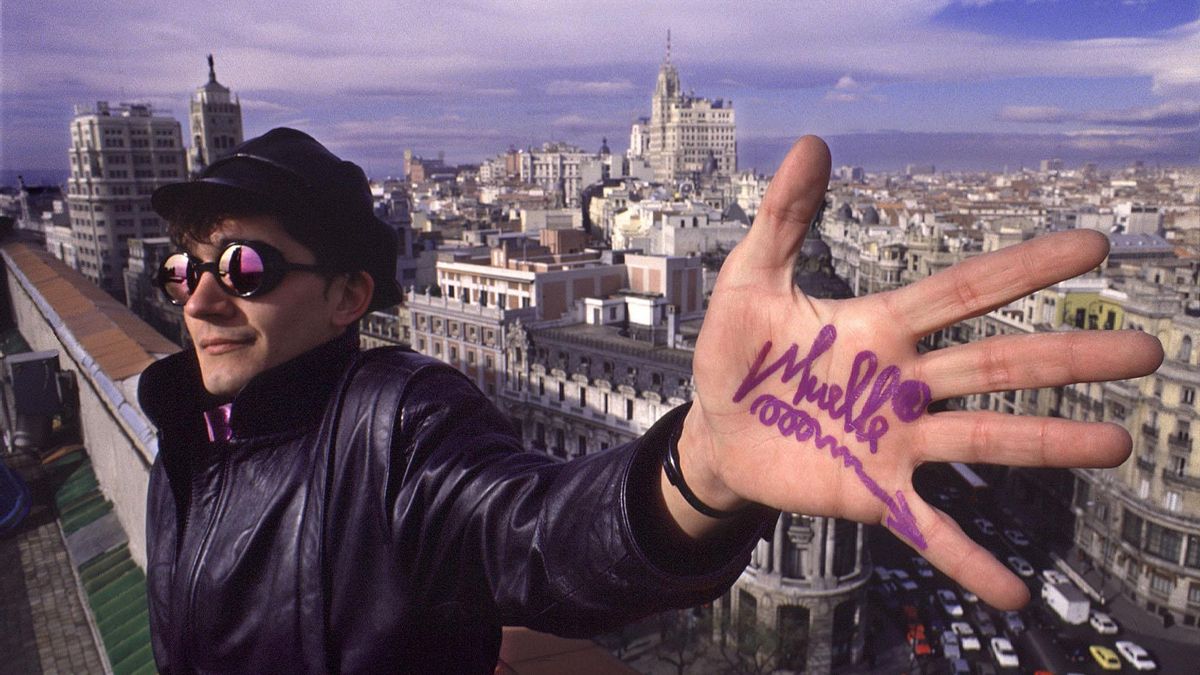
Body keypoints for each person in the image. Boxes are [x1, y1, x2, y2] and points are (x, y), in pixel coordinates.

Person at [140, 128, 1161, 673]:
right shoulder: (187, 433)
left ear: (351, 297)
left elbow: (539, 536)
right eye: (183, 270)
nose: (205, 293)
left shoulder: (396, 422)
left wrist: (702, 468)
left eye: (245, 263)